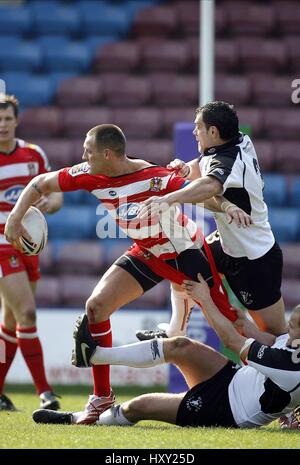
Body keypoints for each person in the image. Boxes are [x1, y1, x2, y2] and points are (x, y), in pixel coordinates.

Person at [4, 124, 251, 424]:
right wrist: (15, 217)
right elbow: (40, 184)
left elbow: (202, 196)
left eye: (88, 150)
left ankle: (278, 390)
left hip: (185, 255)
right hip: (146, 252)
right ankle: (102, 398)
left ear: (107, 154)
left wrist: (226, 206)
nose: (82, 155)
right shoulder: (88, 172)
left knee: (231, 323)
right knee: (95, 308)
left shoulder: (152, 178)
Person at [31, 274, 300, 430]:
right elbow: (263, 336)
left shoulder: (289, 366)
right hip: (231, 377)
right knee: (179, 345)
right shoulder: (291, 344)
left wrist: (205, 299)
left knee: (139, 406)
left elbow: (231, 341)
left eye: (294, 325)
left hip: (228, 410)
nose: (288, 327)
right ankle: (98, 354)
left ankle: (81, 417)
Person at [137, 101, 286, 340]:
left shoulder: (231, 160)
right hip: (226, 242)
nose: (195, 132)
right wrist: (186, 170)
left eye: (199, 127)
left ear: (214, 132)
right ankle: (175, 332)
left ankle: (282, 372)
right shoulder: (236, 141)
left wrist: (168, 199)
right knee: (183, 261)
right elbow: (207, 165)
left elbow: (210, 185)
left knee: (276, 336)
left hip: (254, 259)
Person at [0, 94, 63, 411]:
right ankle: (45, 392)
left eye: (7, 118)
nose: (2, 125)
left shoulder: (33, 155)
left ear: (16, 120)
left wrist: (47, 204)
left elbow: (55, 198)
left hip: (28, 246)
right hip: (0, 248)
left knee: (11, 321)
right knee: (27, 313)